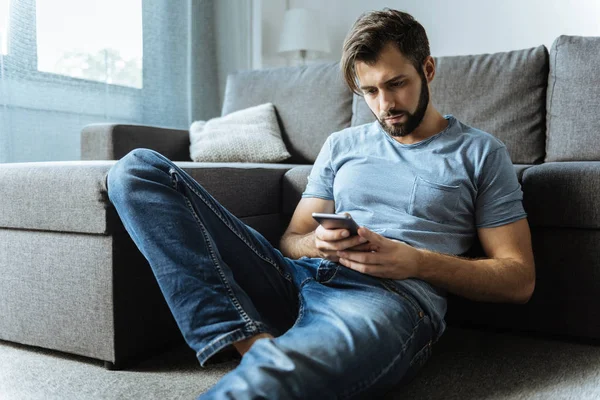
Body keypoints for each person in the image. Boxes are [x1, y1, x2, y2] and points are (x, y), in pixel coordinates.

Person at [106, 8, 535, 399]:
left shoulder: (480, 153)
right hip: (295, 276)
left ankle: (267, 364)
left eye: (396, 84)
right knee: (136, 171)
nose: (384, 106)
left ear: (427, 68)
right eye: (369, 91)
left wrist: (416, 262)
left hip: (388, 299)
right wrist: (320, 245)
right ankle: (251, 342)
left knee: (270, 384)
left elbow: (518, 279)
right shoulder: (342, 144)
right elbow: (291, 239)